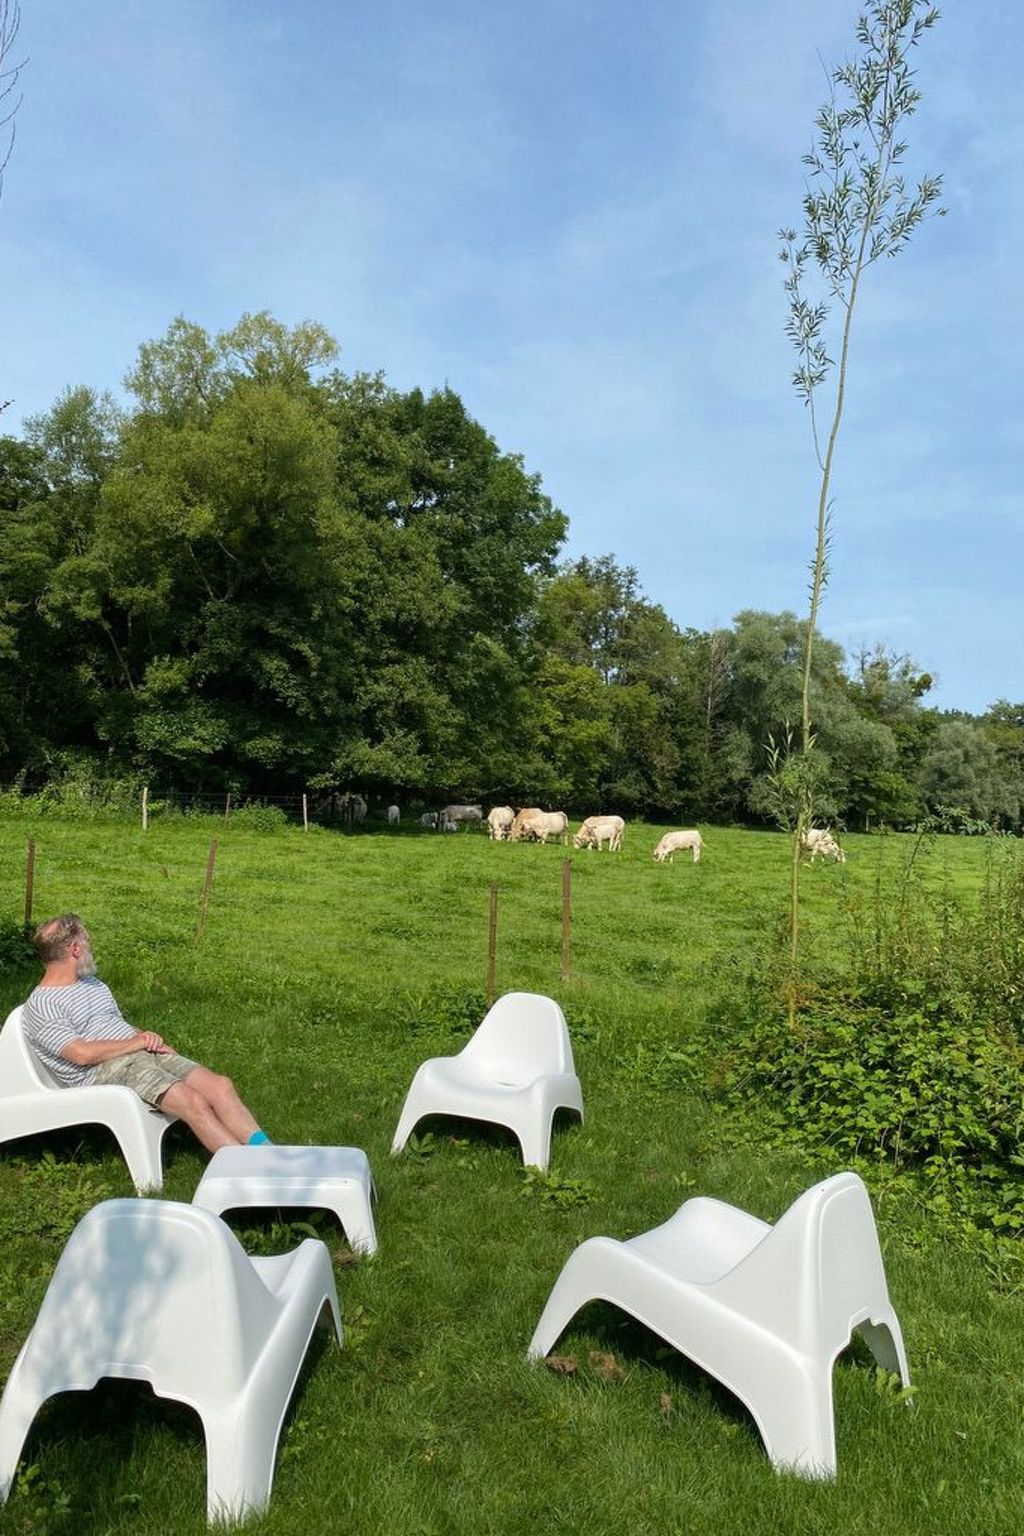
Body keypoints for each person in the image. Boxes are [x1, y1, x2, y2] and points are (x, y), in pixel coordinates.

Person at [23, 913, 271, 1153]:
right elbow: (81, 1054)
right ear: (75, 949)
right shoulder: (43, 1004)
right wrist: (136, 1043)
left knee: (220, 1086)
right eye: (87, 942)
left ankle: (269, 1152)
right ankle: (248, 1168)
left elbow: (116, 1025)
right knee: (192, 1102)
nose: (91, 948)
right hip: (105, 1071)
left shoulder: (91, 984)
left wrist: (147, 1038)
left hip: (137, 1052)